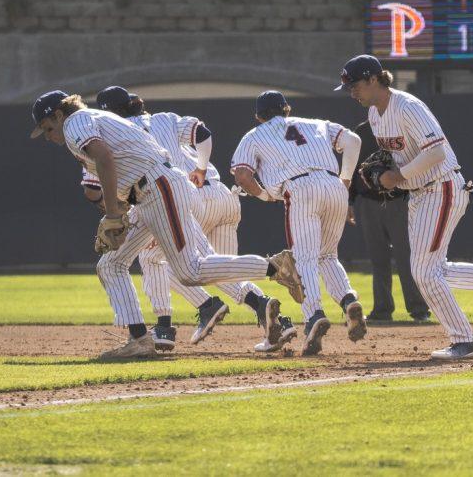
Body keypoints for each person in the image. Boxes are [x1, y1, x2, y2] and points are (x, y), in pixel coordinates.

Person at [30, 90, 303, 359]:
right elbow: (122, 167)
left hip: (159, 187)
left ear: (58, 114)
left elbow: (105, 159)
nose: (49, 137)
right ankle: (139, 339)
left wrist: (113, 214)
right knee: (111, 264)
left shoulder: (75, 122)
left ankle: (275, 267)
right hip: (148, 194)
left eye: (47, 128)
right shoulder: (93, 120)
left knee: (189, 271)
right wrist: (116, 214)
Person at [336, 54, 473, 361]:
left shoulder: (407, 106)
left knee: (425, 273)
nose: (351, 92)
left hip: (441, 187)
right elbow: (399, 157)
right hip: (418, 194)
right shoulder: (375, 115)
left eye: (355, 85)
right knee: (432, 271)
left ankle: (466, 340)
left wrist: (397, 176)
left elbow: (437, 151)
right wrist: (385, 174)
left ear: (374, 79)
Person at [230, 91, 366, 356]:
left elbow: (242, 175)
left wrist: (266, 195)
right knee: (327, 255)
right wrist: (345, 179)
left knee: (304, 258)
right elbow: (353, 140)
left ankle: (314, 315)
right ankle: (348, 301)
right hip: (333, 185)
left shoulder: (253, 135)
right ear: (287, 110)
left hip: (299, 187)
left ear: (259, 116)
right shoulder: (316, 124)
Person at [349, 120, 430, 323]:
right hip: (368, 201)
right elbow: (351, 167)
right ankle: (382, 310)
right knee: (379, 259)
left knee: (406, 258)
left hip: (399, 201)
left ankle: (419, 310)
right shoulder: (363, 131)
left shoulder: (402, 128)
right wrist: (349, 200)